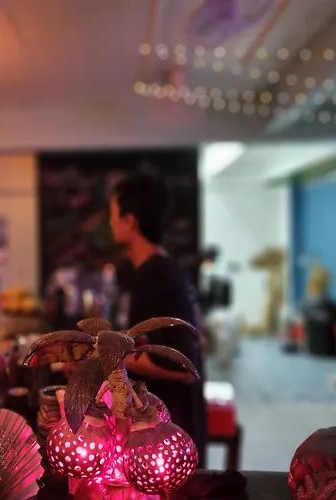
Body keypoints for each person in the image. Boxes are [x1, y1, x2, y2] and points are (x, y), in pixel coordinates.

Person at [108, 172, 207, 467]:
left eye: (113, 215)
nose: (110, 223)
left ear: (129, 221)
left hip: (169, 435)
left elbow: (184, 367)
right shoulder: (165, 270)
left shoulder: (155, 276)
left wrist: (111, 359)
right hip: (175, 428)